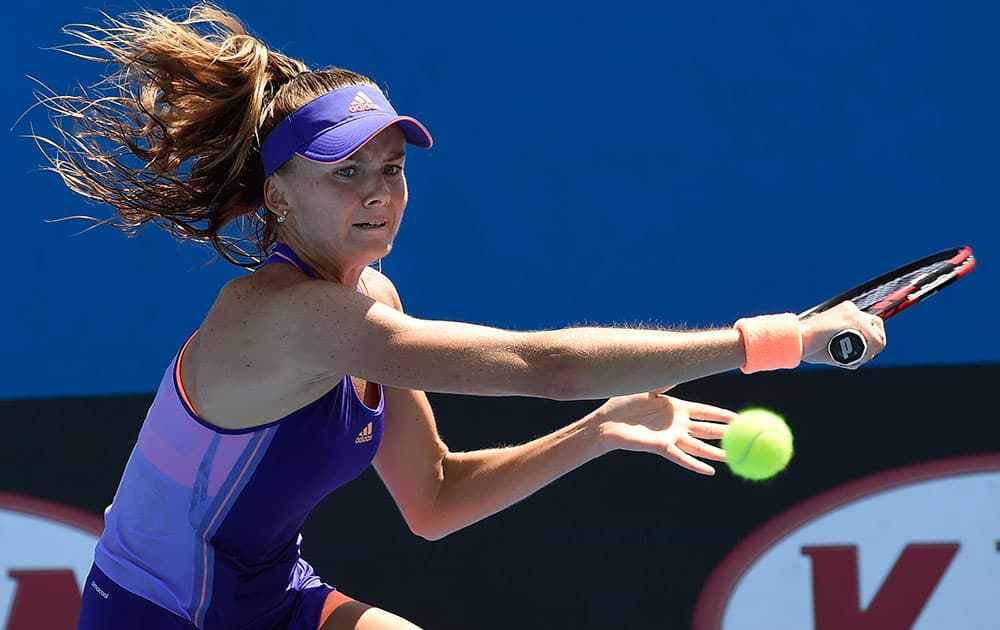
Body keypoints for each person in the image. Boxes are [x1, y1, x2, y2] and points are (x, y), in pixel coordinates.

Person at [33, 4, 886, 630]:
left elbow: (434, 499)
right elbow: (546, 365)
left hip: (271, 598)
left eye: (392, 168)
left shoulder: (372, 301)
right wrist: (780, 340)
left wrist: (600, 430)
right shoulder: (281, 318)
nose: (378, 193)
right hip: (156, 617)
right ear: (276, 194)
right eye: (344, 172)